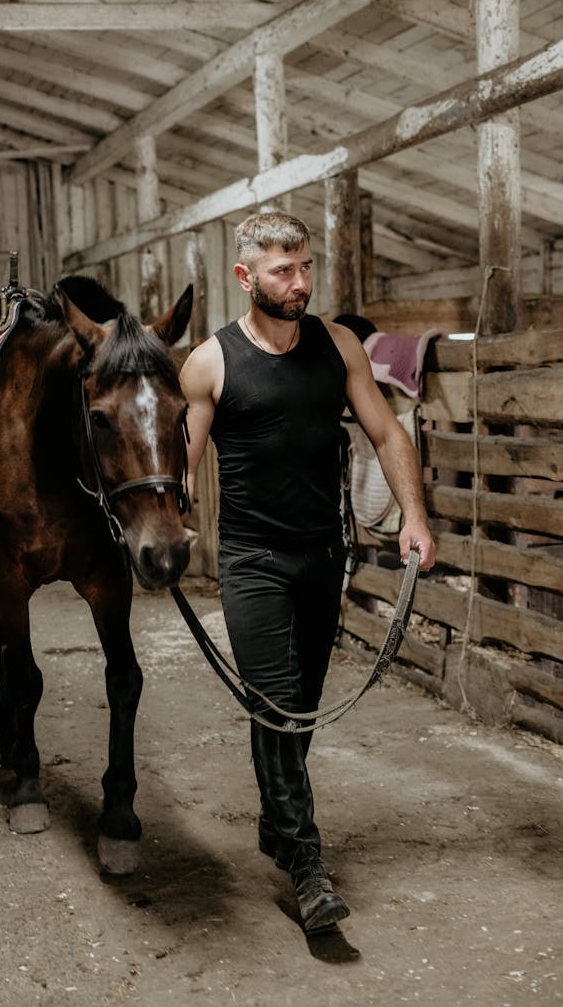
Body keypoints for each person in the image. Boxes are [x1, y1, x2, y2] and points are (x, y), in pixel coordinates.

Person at [179, 210, 435, 934]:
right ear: (245, 275)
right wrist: (163, 530)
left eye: (306, 267)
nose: (300, 282)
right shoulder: (210, 362)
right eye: (283, 270)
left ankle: (275, 821)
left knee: (303, 705)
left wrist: (414, 517)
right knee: (279, 702)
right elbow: (182, 469)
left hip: (325, 553)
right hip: (252, 559)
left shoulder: (339, 344)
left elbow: (386, 433)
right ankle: (307, 867)